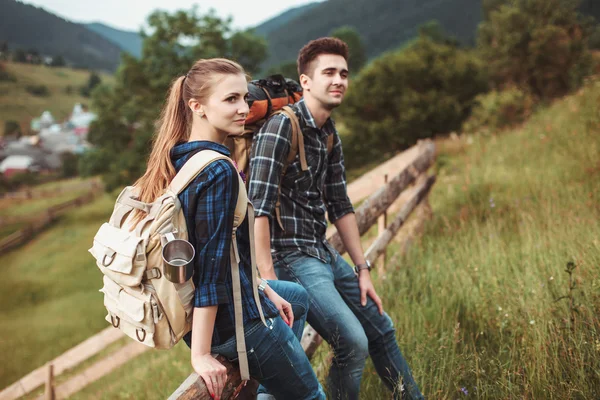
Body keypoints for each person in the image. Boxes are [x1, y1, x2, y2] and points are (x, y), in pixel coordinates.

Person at [131, 58, 325, 400]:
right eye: (231, 99)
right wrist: (201, 354)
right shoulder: (218, 170)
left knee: (295, 296)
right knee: (312, 396)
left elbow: (228, 254)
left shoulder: (180, 157)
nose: (243, 109)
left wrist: (263, 288)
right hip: (234, 324)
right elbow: (211, 267)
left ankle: (269, 389)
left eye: (245, 99)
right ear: (197, 107)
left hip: (212, 312)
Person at [248, 38, 424, 400]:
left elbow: (340, 205)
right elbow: (258, 209)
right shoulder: (281, 128)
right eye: (328, 72)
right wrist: (269, 282)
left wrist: (362, 268)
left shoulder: (329, 132)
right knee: (353, 342)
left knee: (380, 328)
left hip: (321, 252)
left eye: (344, 73)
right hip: (289, 257)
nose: (339, 80)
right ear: (306, 81)